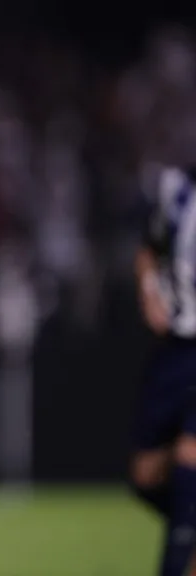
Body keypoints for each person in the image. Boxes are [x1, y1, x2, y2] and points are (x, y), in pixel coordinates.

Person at [129, 163, 196, 576]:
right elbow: (147, 252)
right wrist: (150, 291)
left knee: (190, 460)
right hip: (174, 350)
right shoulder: (176, 190)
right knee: (146, 476)